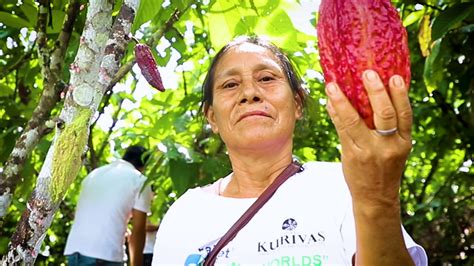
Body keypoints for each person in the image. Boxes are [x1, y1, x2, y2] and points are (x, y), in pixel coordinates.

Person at [151, 36, 428, 265]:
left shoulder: (344, 186)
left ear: (297, 104)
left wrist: (377, 200)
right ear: (212, 117)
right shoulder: (185, 214)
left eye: (267, 78)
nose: (250, 92)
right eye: (230, 84)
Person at [64, 145, 153, 266]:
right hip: (104, 255)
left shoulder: (94, 175)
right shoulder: (139, 180)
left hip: (75, 251)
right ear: (144, 166)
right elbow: (138, 230)